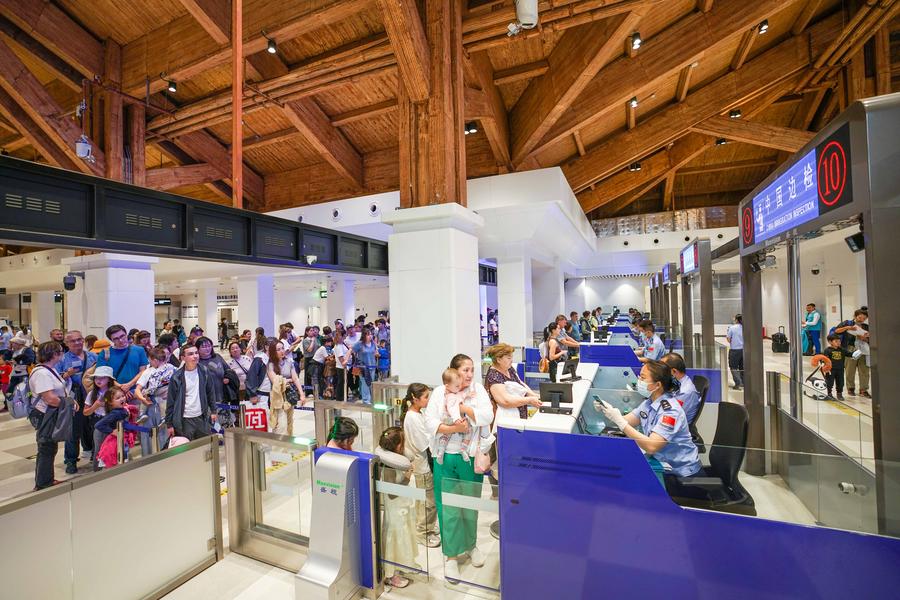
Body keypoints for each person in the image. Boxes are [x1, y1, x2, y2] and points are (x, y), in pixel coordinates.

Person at [424, 354, 494, 583]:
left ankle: (471, 545)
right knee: (449, 509)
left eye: (471, 370)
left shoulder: (478, 390)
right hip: (445, 458)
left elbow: (487, 415)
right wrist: (452, 428)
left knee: (469, 506)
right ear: (453, 371)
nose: (469, 374)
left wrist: (463, 407)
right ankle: (451, 556)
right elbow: (430, 423)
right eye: (465, 370)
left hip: (469, 458)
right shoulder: (438, 392)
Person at [597, 360, 702, 493]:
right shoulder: (649, 403)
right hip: (663, 466)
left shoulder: (670, 411)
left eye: (643, 377)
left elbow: (652, 446)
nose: (639, 380)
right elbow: (626, 421)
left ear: (657, 385)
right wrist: (607, 411)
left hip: (682, 477)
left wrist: (620, 422)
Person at [374, 426, 416, 590]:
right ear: (398, 446)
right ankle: (391, 574)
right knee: (395, 539)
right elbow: (392, 493)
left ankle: (401, 565)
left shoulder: (397, 461)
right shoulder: (390, 467)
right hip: (395, 509)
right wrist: (407, 477)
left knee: (403, 536)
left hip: (402, 507)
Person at [401, 383, 440, 548]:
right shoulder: (412, 418)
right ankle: (423, 532)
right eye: (425, 397)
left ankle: (428, 526)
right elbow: (423, 444)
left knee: (429, 500)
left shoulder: (418, 414)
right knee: (428, 502)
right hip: (423, 467)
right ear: (415, 399)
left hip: (425, 464)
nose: (428, 400)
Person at [28, 341, 72, 489]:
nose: (63, 354)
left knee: (49, 447)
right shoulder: (42, 373)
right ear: (54, 354)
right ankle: (43, 483)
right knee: (46, 447)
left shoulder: (48, 370)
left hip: (48, 413)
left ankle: (47, 479)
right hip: (45, 414)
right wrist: (69, 403)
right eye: (60, 351)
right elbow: (50, 399)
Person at [57, 330, 97, 474]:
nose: (77, 343)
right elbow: (56, 379)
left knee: (93, 426)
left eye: (79, 339)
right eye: (73, 341)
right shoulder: (62, 359)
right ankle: (71, 460)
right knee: (73, 431)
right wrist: (67, 374)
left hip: (92, 397)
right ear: (67, 343)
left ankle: (95, 454)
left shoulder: (92, 356)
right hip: (74, 397)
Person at [165, 345, 217, 440]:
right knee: (188, 450)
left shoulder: (204, 371)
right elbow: (171, 401)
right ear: (183, 358)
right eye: (190, 354)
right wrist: (169, 424)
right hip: (185, 420)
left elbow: (211, 392)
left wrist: (213, 410)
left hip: (202, 417)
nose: (195, 356)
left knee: (205, 448)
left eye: (196, 353)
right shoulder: (177, 377)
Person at [134, 346, 175, 451]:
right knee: (148, 436)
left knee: (165, 434)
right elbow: (138, 390)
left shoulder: (170, 368)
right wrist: (143, 399)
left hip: (167, 403)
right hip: (151, 403)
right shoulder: (147, 371)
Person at [433, 368, 475, 464]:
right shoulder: (451, 397)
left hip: (448, 419)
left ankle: (441, 451)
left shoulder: (453, 393)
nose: (459, 387)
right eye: (457, 386)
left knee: (446, 435)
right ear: (447, 386)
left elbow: (461, 395)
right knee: (469, 430)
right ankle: (463, 448)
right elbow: (452, 409)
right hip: (452, 418)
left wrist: (467, 395)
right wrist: (457, 419)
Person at [95, 324, 148, 400]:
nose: (120, 340)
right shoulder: (105, 353)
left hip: (136, 392)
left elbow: (143, 371)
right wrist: (120, 387)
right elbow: (102, 375)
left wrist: (129, 385)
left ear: (126, 334)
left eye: (122, 336)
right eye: (116, 338)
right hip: (113, 394)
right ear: (111, 340)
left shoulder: (139, 350)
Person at [266, 339, 306, 435]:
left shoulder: (289, 362)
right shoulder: (270, 365)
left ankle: (288, 446)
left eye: (283, 348)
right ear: (273, 352)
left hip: (289, 395)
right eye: (278, 349)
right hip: (278, 398)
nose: (282, 351)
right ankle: (278, 447)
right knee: (280, 423)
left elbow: (295, 378)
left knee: (289, 422)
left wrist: (301, 394)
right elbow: (275, 381)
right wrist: (287, 380)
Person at [82, 366, 117, 470]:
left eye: (102, 378)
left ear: (109, 379)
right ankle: (97, 472)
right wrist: (95, 406)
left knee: (114, 446)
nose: (99, 380)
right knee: (99, 448)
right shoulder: (92, 394)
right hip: (99, 422)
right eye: (97, 378)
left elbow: (123, 407)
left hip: (113, 422)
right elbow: (85, 412)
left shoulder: (115, 393)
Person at [836, 309, 870, 398]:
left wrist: (865, 338)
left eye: (864, 318)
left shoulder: (866, 326)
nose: (861, 319)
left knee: (864, 370)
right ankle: (850, 388)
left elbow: (871, 338)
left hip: (863, 349)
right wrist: (848, 328)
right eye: (860, 317)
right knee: (850, 369)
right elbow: (836, 331)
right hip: (850, 348)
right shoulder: (847, 323)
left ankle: (863, 390)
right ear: (855, 316)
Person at [660, 353, 700, 423]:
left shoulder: (684, 392)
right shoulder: (675, 382)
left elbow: (671, 416)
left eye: (662, 369)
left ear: (674, 371)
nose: (659, 372)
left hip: (674, 428)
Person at [352, 328, 378, 403]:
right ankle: (366, 400)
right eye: (368, 334)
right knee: (365, 383)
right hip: (363, 367)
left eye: (371, 334)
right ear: (364, 335)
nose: (370, 336)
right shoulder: (359, 344)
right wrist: (349, 360)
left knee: (371, 383)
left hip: (372, 366)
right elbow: (352, 351)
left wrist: (376, 354)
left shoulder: (373, 343)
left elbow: (375, 352)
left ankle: (370, 399)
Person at [822, 334, 851, 401]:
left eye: (839, 341)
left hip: (840, 369)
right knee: (829, 382)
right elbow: (825, 359)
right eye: (836, 341)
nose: (838, 343)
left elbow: (850, 354)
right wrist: (825, 366)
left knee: (840, 382)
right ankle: (829, 393)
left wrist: (857, 353)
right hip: (831, 369)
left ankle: (839, 393)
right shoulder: (827, 350)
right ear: (830, 342)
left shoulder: (842, 350)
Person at [726, 314, 744, 390]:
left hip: (734, 350)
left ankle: (738, 383)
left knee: (733, 367)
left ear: (736, 320)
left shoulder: (732, 328)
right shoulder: (745, 327)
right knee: (742, 367)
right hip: (744, 350)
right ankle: (743, 382)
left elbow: (728, 339)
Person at [333, 329, 350, 402]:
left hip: (344, 366)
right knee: (341, 383)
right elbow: (340, 357)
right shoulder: (339, 346)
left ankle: (343, 396)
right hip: (341, 367)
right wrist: (345, 365)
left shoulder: (342, 344)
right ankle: (340, 398)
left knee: (343, 382)